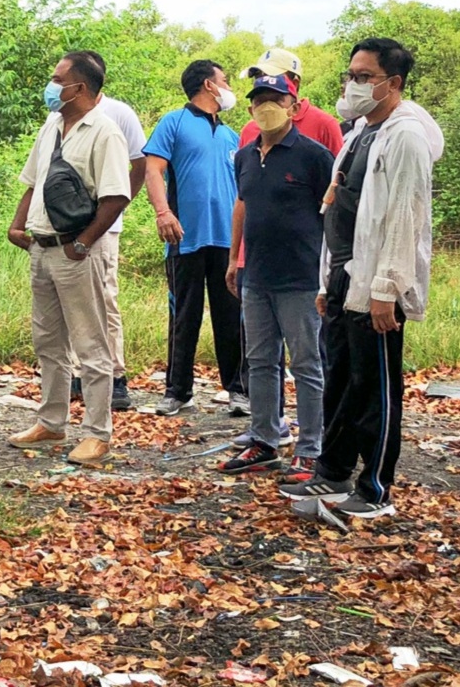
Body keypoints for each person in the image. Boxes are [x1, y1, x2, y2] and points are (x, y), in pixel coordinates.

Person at [281, 38, 443, 518]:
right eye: (350, 75)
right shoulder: (357, 135)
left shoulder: (406, 137)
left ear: (392, 84)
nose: (352, 85)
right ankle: (332, 472)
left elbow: (403, 218)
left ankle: (374, 488)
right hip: (342, 279)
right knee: (341, 384)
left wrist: (386, 290)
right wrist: (325, 283)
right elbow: (338, 210)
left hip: (375, 285)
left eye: (364, 77)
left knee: (375, 389)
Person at [5, 52, 131, 466]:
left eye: (58, 79)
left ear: (79, 87)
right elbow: (33, 181)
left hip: (74, 252)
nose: (51, 85)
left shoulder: (105, 132)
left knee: (91, 344)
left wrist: (83, 243)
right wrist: (18, 224)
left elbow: (115, 196)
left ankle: (97, 434)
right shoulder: (52, 126)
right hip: (41, 249)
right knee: (47, 340)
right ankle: (51, 421)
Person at [231, 48, 344, 460]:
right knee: (260, 361)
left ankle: (312, 447)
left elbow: (333, 217)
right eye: (258, 100)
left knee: (307, 365)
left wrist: (330, 274)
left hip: (301, 278)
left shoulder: (314, 156)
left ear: (293, 106)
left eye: (275, 100)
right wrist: (233, 261)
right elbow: (242, 206)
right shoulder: (244, 156)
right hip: (256, 276)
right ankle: (265, 439)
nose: (266, 108)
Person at [143, 60, 245, 417]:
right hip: (184, 237)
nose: (229, 85)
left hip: (227, 241)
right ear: (208, 85)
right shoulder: (174, 122)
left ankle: (238, 390)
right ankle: (178, 390)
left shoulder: (234, 136)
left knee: (231, 315)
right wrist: (163, 212)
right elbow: (152, 169)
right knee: (184, 314)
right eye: (225, 79)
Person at [66, 50, 147, 411]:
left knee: (105, 299)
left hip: (105, 225)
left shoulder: (119, 113)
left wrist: (115, 203)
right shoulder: (61, 114)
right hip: (65, 224)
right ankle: (74, 374)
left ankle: (115, 376)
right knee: (67, 299)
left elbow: (140, 162)